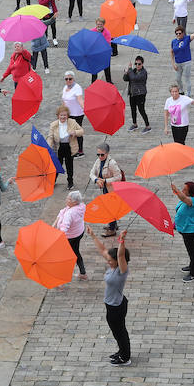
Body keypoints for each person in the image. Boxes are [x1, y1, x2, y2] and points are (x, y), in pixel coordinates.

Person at [86, 225, 131, 365]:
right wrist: (93, 235)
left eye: (111, 260)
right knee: (117, 331)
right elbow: (103, 251)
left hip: (116, 307)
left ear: (117, 261)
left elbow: (121, 255)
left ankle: (125, 357)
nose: (108, 261)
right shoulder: (113, 266)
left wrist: (122, 240)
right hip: (112, 304)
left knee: (120, 332)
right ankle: (122, 351)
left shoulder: (121, 271)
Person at [90, 144, 125, 237]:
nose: (100, 157)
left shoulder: (112, 163)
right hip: (105, 187)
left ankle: (112, 229)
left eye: (102, 155)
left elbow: (118, 177)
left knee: (110, 208)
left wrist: (105, 181)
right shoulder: (98, 161)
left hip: (113, 189)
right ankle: (113, 224)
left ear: (107, 153)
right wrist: (96, 180)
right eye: (98, 154)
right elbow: (92, 173)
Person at [171, 180, 194, 282]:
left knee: (193, 252)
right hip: (185, 229)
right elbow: (181, 206)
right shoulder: (184, 200)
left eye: (185, 189)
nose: (182, 190)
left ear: (190, 192)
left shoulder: (193, 201)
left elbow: (184, 198)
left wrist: (176, 190)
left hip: (191, 231)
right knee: (190, 251)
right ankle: (192, 266)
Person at [54, 191, 89, 280]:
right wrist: (55, 223)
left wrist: (57, 237)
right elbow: (63, 210)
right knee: (76, 252)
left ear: (74, 202)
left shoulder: (70, 214)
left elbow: (64, 227)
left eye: (69, 199)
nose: (66, 199)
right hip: (79, 232)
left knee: (65, 256)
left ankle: (62, 278)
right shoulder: (81, 206)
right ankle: (83, 273)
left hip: (71, 237)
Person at [49, 106, 84, 189]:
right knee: (57, 165)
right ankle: (53, 181)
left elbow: (81, 131)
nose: (63, 117)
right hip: (59, 147)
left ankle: (70, 182)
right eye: (61, 115)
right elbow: (50, 137)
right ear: (58, 116)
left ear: (67, 115)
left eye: (65, 115)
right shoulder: (54, 125)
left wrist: (75, 132)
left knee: (69, 165)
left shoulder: (72, 122)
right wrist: (48, 146)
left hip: (69, 146)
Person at [171, 23, 194, 96]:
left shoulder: (187, 38)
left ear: (183, 33)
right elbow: (172, 52)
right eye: (176, 33)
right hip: (178, 62)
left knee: (187, 78)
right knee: (178, 78)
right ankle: (181, 90)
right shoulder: (173, 41)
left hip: (186, 62)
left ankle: (188, 93)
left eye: (179, 33)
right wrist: (173, 63)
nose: (178, 35)